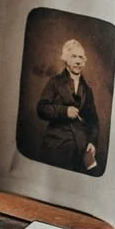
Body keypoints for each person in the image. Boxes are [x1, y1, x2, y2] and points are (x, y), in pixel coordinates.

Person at [35, 37, 101, 173]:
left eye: (81, 57)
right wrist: (64, 111)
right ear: (66, 59)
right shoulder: (54, 82)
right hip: (56, 145)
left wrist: (92, 142)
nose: (78, 61)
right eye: (73, 57)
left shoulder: (87, 90)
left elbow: (93, 122)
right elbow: (41, 109)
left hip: (80, 149)